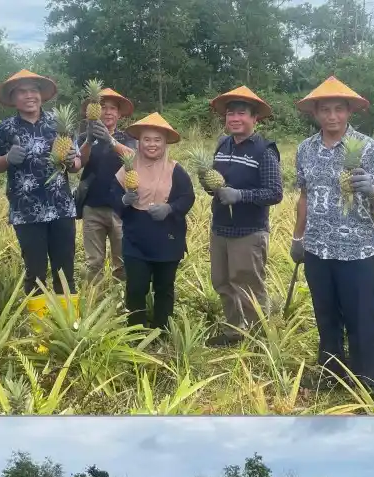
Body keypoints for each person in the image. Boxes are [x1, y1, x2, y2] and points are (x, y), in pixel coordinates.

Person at [291, 77, 374, 393]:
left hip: (357, 250)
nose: (332, 116)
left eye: (338, 109)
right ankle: (332, 375)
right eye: (325, 110)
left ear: (349, 112)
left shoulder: (369, 148)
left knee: (363, 319)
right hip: (318, 249)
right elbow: (305, 195)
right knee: (325, 315)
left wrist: (372, 190)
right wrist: (298, 238)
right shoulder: (305, 149)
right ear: (316, 113)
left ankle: (371, 384)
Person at [0, 70, 81, 311]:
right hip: (25, 210)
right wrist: (7, 158)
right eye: (22, 91)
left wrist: (73, 161)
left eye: (34, 90)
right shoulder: (3, 129)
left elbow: (76, 165)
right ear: (13, 98)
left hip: (61, 207)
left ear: (41, 95)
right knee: (35, 271)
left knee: (66, 270)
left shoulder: (59, 125)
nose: (29, 95)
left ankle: (70, 323)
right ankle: (38, 330)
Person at [205, 87, 283, 345]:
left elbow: (274, 193)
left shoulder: (265, 150)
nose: (234, 119)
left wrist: (240, 195)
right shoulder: (222, 145)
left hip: (248, 231)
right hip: (220, 228)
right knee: (222, 282)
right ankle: (234, 332)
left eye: (241, 113)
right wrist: (208, 183)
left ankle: (259, 337)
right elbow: (215, 186)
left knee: (249, 286)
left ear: (254, 119)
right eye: (230, 114)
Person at [113, 113, 196, 330]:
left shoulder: (175, 170)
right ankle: (136, 330)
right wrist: (123, 200)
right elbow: (113, 198)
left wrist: (170, 208)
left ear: (165, 143)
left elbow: (188, 197)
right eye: (147, 139)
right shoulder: (127, 170)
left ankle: (162, 329)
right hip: (136, 238)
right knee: (136, 287)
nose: (152, 144)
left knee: (164, 286)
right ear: (139, 143)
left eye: (157, 140)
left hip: (168, 237)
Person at [77, 87, 136, 282]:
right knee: (93, 262)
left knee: (123, 261)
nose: (108, 112)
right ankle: (96, 302)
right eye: (102, 107)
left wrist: (109, 140)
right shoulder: (83, 138)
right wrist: (88, 140)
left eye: (112, 108)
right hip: (92, 206)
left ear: (119, 114)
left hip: (121, 207)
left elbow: (134, 158)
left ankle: (122, 302)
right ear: (94, 111)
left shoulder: (127, 138)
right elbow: (78, 164)